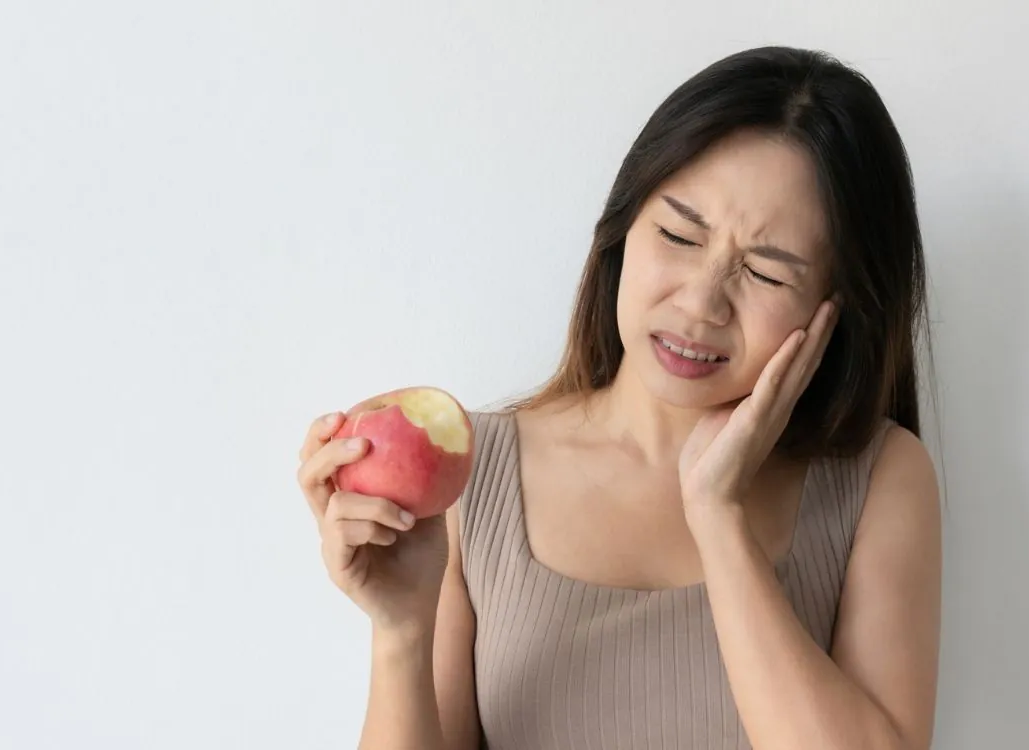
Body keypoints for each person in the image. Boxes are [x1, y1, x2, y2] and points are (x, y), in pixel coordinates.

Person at [295, 46, 942, 750]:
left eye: (765, 273)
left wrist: (717, 515)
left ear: (833, 312)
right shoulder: (474, 474)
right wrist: (400, 630)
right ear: (622, 227)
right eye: (678, 235)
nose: (700, 303)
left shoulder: (879, 479)